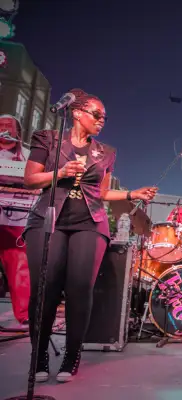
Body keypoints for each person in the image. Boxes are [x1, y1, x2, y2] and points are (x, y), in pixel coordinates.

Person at [23, 88, 157, 383]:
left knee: (79, 290)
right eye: (97, 115)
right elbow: (30, 179)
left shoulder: (105, 153)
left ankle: (72, 356)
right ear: (77, 113)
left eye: (105, 117)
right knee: (44, 291)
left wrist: (133, 193)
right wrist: (60, 172)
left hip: (90, 223)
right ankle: (39, 354)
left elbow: (103, 191)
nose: (102, 121)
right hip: (50, 220)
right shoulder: (49, 139)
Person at [0, 115, 31, 327]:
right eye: (1, 126)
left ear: (18, 132)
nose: (5, 129)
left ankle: (24, 314)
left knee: (20, 264)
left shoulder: (28, 155)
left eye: (9, 126)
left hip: (15, 218)